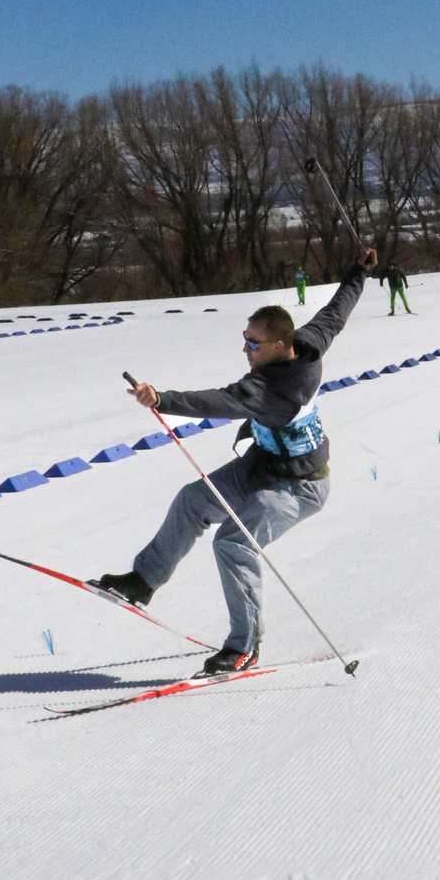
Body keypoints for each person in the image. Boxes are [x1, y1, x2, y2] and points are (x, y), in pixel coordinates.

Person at [96, 245, 378, 677]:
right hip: (263, 465)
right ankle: (143, 581)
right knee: (193, 500)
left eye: (253, 343)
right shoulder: (307, 342)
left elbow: (223, 400)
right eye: (244, 339)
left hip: (300, 486)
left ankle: (244, 647)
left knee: (234, 542)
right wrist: (357, 272)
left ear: (279, 345)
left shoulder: (274, 391)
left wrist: (163, 399)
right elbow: (335, 314)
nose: (245, 349)